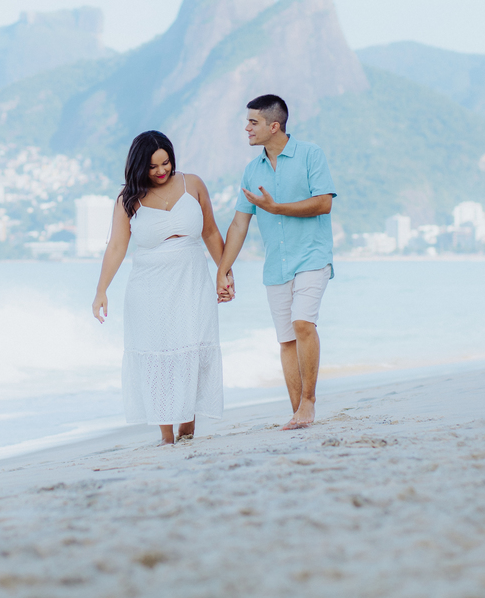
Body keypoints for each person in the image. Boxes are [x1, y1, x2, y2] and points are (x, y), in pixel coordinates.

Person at [92, 131, 228, 445]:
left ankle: (187, 428)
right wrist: (101, 290)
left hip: (192, 282)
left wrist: (225, 272)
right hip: (149, 289)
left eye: (165, 162)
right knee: (160, 356)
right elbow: (116, 247)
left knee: (191, 349)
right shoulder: (129, 199)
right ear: (140, 166)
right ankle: (166, 436)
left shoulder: (192, 184)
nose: (161, 171)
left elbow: (210, 232)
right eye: (153, 166)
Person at [215, 95, 336, 430]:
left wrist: (277, 208)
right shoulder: (252, 170)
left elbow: (324, 203)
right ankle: (298, 410)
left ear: (274, 125)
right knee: (286, 339)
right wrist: (223, 269)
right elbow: (240, 223)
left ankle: (309, 402)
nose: (247, 128)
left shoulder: (311, 154)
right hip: (276, 265)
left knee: (302, 324)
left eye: (253, 122)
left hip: (312, 256)